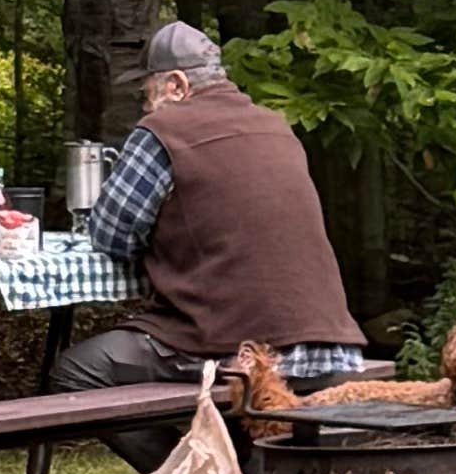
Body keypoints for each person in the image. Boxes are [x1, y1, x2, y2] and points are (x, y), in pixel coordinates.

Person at [51, 21, 369, 419]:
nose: (145, 107)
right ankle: (227, 473)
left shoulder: (163, 130)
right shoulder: (276, 126)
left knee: (78, 372)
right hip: (331, 344)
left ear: (177, 86)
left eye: (147, 93)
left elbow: (111, 234)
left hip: (236, 346)